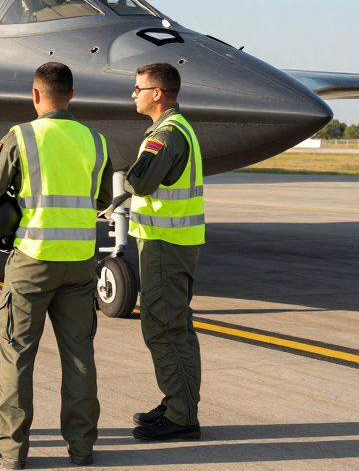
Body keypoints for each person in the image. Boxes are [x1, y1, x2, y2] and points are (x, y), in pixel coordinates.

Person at [0, 62, 113, 469]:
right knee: (80, 357)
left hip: (33, 259)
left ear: (36, 95)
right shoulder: (96, 141)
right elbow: (101, 198)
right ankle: (82, 448)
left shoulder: (23, 136)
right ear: (71, 95)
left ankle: (12, 450)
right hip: (80, 263)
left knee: (17, 355)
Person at [125, 61, 205, 441]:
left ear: (157, 93)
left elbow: (139, 180)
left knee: (166, 328)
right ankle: (177, 401)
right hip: (173, 244)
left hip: (165, 246)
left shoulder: (167, 134)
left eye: (138, 88)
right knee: (170, 325)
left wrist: (129, 171)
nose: (134, 94)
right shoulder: (176, 128)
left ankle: (182, 415)